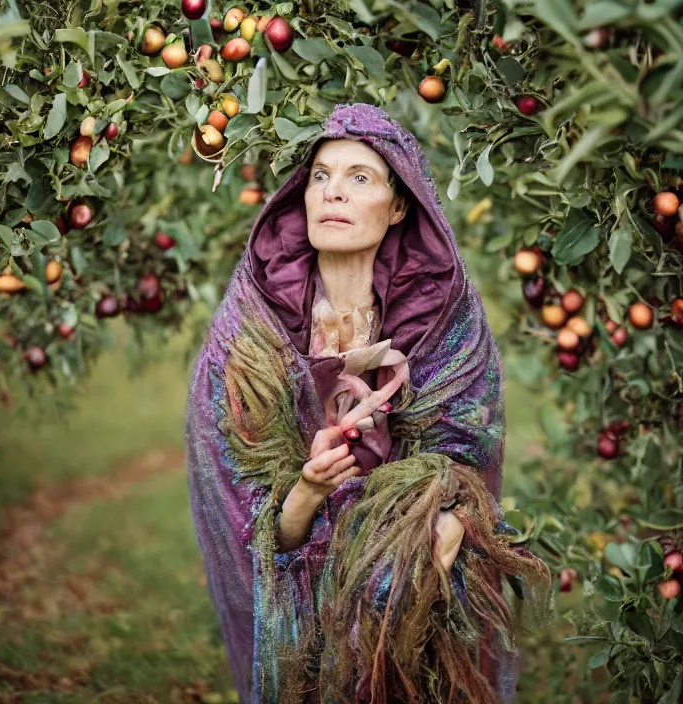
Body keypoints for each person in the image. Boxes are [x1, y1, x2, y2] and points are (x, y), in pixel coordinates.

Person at [185, 103, 553, 704]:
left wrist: (438, 520)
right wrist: (308, 486)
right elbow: (242, 507)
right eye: (321, 176)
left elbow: (466, 458)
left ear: (399, 203)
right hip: (302, 587)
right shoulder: (253, 333)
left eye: (360, 178)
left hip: (409, 588)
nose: (334, 193)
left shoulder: (442, 320)